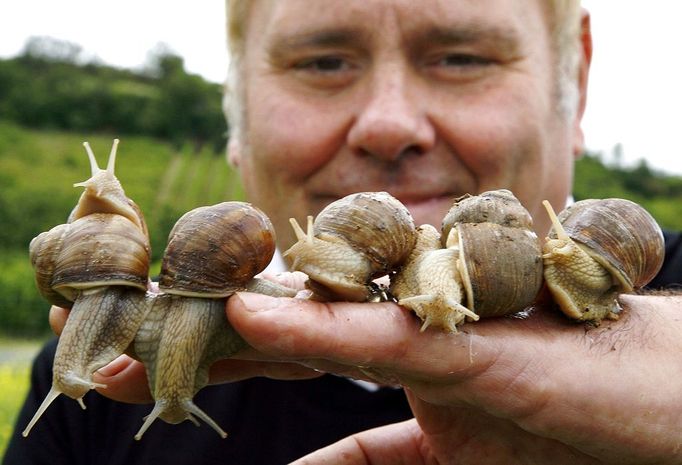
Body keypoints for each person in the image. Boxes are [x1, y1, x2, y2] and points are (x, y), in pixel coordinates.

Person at [5, 0, 682, 464]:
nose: (389, 126)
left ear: (578, 84)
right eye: (323, 62)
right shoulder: (105, 373)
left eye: (462, 56)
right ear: (235, 116)